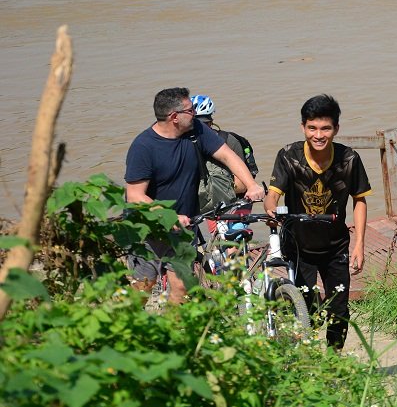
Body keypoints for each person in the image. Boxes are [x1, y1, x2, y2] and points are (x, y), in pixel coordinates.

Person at [125, 87, 264, 303]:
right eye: (190, 110)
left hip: (183, 226)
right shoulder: (144, 147)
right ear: (174, 117)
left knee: (181, 288)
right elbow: (135, 195)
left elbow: (227, 156)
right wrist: (168, 216)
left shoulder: (195, 130)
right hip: (147, 229)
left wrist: (251, 184)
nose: (195, 114)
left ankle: (174, 333)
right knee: (142, 289)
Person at [263, 94, 372, 351]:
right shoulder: (288, 156)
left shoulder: (349, 159)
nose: (318, 135)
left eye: (325, 128)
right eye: (312, 128)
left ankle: (334, 360)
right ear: (303, 127)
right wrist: (271, 209)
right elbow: (273, 194)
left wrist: (359, 245)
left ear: (336, 129)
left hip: (335, 247)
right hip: (299, 248)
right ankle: (308, 360)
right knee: (307, 309)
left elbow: (360, 200)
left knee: (340, 308)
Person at [191, 94, 258, 233]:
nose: (201, 129)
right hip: (210, 199)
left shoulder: (230, 142)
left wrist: (214, 189)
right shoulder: (189, 144)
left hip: (238, 198)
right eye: (196, 124)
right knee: (216, 237)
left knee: (234, 237)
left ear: (211, 121)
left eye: (205, 124)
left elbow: (241, 185)